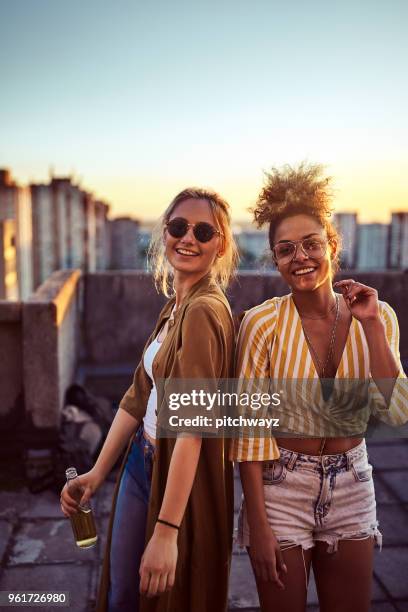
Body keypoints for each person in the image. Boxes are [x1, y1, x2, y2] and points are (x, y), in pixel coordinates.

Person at [230, 163, 407, 612]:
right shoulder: (261, 323)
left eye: (312, 244)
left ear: (332, 245)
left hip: (352, 481)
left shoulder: (378, 315)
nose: (301, 257)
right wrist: (258, 523)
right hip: (281, 487)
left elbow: (397, 410)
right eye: (286, 249)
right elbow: (250, 432)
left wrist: (369, 327)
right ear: (274, 259)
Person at [60, 187, 238, 612]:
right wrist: (97, 473)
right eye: (178, 227)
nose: (188, 238)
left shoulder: (202, 312)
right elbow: (138, 397)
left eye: (203, 230)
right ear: (165, 232)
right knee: (124, 592)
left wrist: (166, 530)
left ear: (221, 244)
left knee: (155, 598)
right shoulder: (177, 305)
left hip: (178, 477)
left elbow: (192, 430)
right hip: (142, 461)